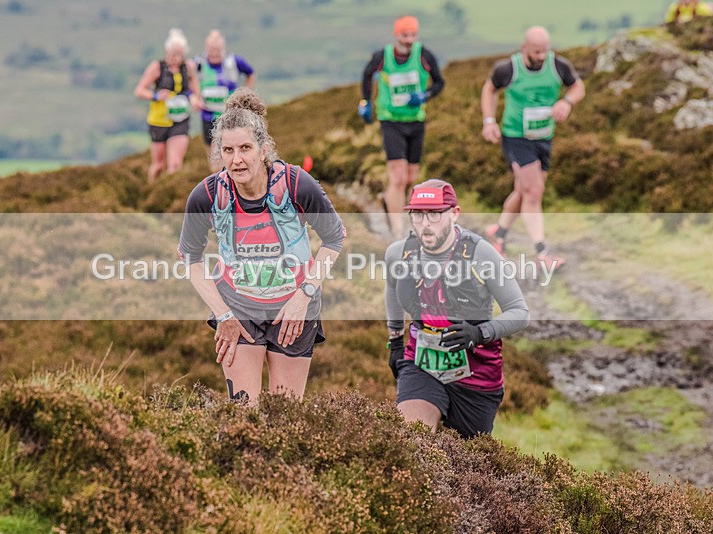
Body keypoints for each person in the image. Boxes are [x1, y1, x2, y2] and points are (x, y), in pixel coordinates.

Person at [178, 88, 344, 404]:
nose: (237, 159)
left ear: (263, 148)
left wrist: (303, 298)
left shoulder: (296, 184)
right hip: (238, 308)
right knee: (243, 414)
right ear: (218, 152)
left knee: (286, 416)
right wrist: (223, 314)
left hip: (293, 308)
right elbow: (191, 258)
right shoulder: (207, 196)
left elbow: (334, 238)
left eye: (245, 148)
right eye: (227, 150)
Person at [385, 179, 529, 438]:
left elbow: (520, 311)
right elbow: (392, 291)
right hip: (421, 363)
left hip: (478, 375)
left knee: (468, 458)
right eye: (417, 215)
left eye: (435, 214)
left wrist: (479, 334)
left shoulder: (481, 254)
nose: (425, 223)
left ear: (454, 213)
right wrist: (395, 341)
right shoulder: (399, 254)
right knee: (412, 438)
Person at [480, 26, 585, 269]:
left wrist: (567, 102)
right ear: (525, 47)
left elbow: (578, 87)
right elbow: (489, 89)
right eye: (537, 52)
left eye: (545, 51)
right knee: (534, 192)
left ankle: (499, 234)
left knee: (524, 191)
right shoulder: (507, 69)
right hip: (516, 137)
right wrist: (489, 121)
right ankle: (542, 253)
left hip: (543, 137)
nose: (541, 56)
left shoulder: (558, 66)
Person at [360, 15, 445, 239]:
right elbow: (367, 75)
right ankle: (398, 231)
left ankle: (389, 202)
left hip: (416, 121)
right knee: (397, 177)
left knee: (409, 178)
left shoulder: (424, 56)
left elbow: (439, 83)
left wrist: (424, 96)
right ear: (396, 35)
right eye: (405, 35)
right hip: (391, 120)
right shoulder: (382, 57)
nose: (409, 40)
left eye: (413, 35)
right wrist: (366, 102)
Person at [134, 28, 201, 184]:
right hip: (159, 121)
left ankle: (170, 195)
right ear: (167, 52)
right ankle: (152, 190)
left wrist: (195, 100)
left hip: (180, 119)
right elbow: (139, 90)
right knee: (158, 165)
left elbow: (194, 90)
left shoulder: (188, 68)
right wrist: (156, 95)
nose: (176, 58)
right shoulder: (157, 67)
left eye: (180, 55)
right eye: (173, 54)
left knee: (175, 164)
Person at [197, 30, 257, 170]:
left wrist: (244, 93)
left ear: (223, 48)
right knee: (212, 157)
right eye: (212, 50)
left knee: (222, 154)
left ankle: (225, 183)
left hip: (228, 115)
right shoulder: (198, 63)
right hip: (207, 116)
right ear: (206, 48)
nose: (215, 53)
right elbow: (189, 81)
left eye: (217, 50)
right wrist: (195, 97)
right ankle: (218, 183)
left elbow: (251, 73)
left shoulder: (234, 61)